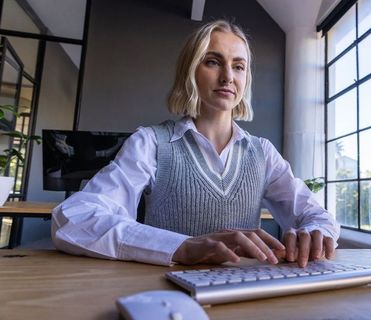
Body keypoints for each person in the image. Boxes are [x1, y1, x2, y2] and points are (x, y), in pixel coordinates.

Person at [51, 20, 340, 268]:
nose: (228, 76)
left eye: (238, 66)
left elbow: (316, 216)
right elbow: (73, 219)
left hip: (243, 289)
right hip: (166, 294)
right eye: (213, 62)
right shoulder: (151, 143)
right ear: (191, 70)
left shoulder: (262, 152)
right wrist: (182, 247)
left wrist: (314, 231)